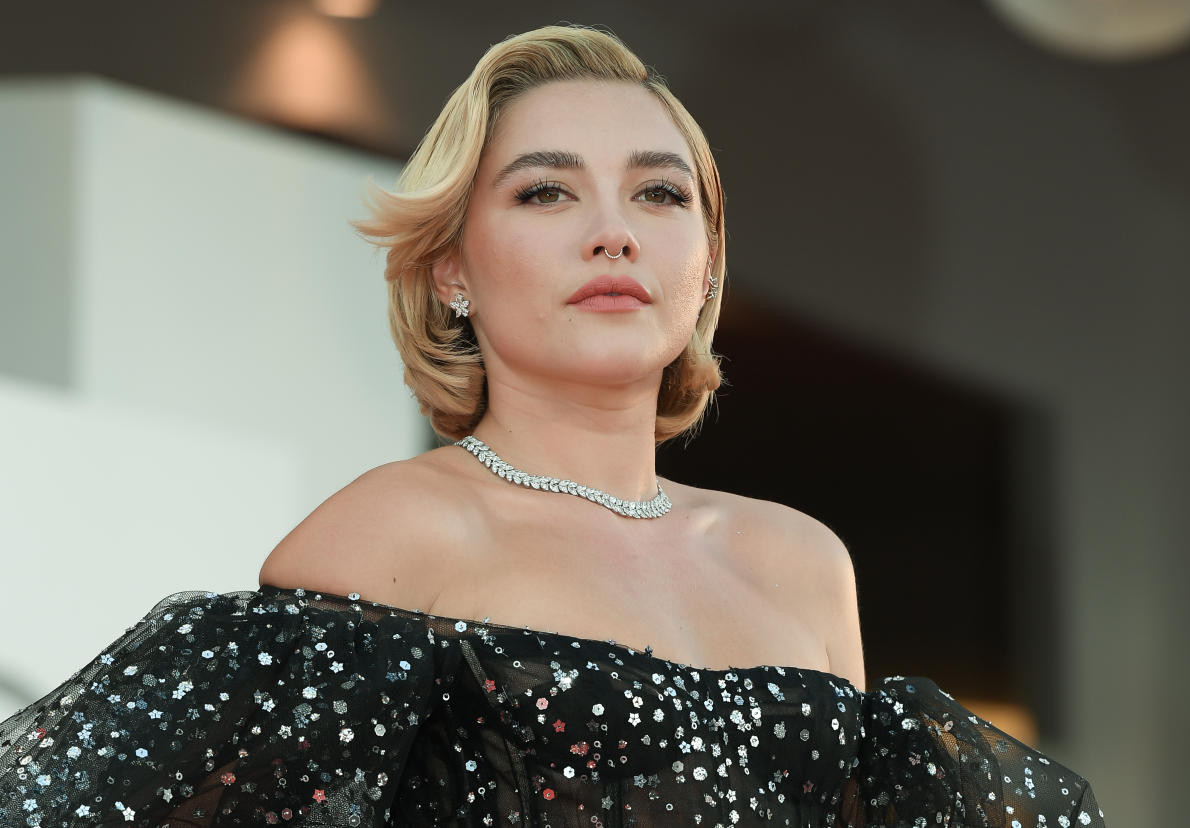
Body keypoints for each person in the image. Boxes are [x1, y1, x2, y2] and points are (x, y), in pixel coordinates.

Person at [0, 24, 1104, 827]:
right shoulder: (392, 536)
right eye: (546, 193)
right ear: (451, 268)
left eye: (661, 195)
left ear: (705, 263)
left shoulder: (801, 561)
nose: (614, 233)